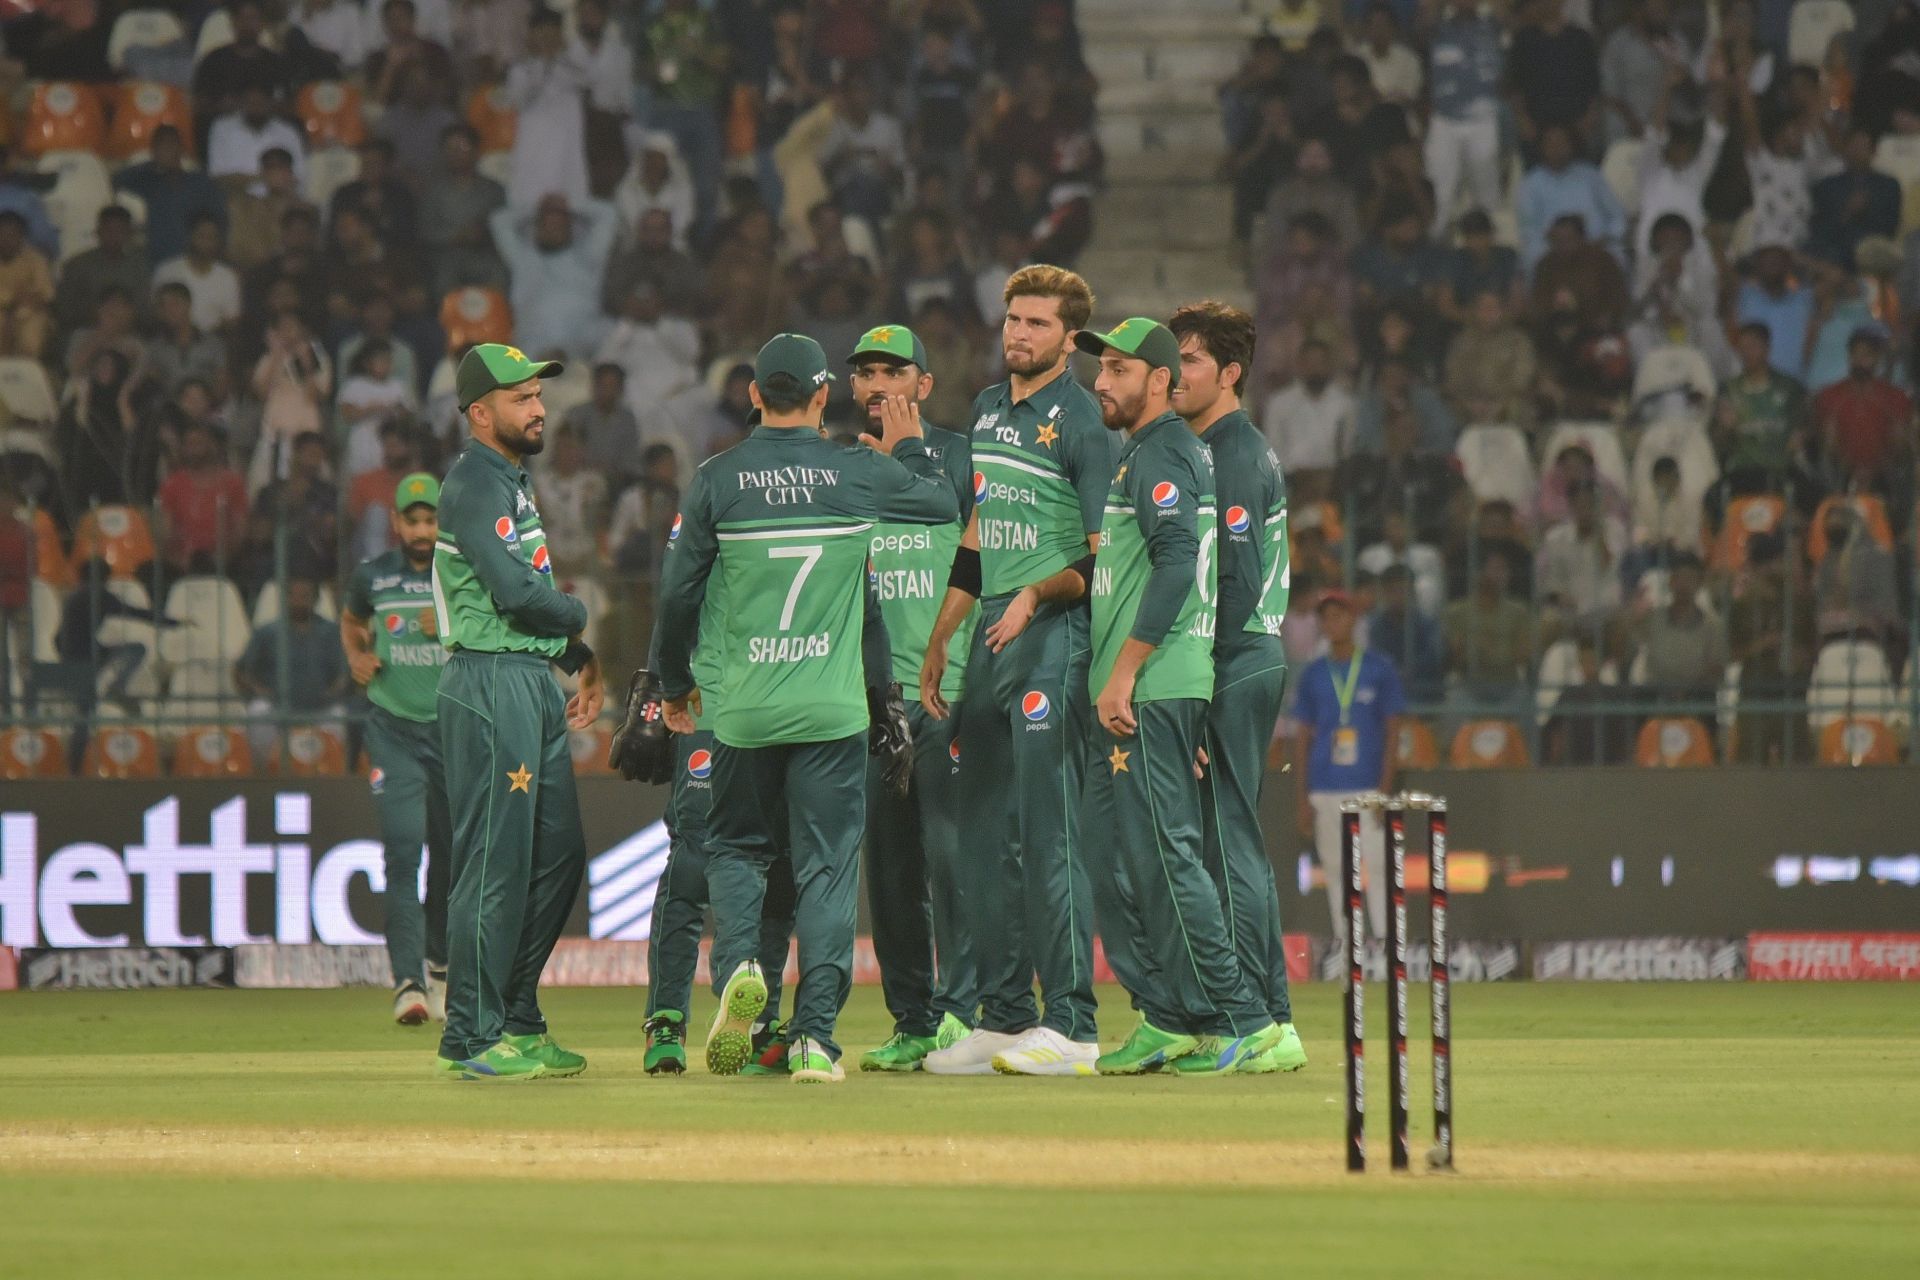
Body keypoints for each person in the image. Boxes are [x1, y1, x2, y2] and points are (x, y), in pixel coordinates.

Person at [653, 333, 958, 1084]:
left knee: (735, 850)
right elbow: (940, 502)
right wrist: (912, 444)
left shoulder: (717, 480)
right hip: (830, 710)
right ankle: (816, 1038)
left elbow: (678, 596)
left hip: (747, 710)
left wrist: (669, 685)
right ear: (824, 397)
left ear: (754, 395)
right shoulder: (854, 470)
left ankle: (738, 975)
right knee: (826, 870)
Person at [917, 266, 1108, 1078]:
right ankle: (1003, 1017)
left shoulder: (1085, 422)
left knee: (1047, 836)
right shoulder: (990, 411)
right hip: (991, 647)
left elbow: (1101, 561)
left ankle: (1073, 1024)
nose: (1018, 333)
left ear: (1070, 339)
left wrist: (1032, 593)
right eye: (1013, 318)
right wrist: (940, 637)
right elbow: (975, 534)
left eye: (1036, 323)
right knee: (985, 839)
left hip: (1053, 644)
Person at [430, 343, 605, 1080]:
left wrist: (571, 659)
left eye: (538, 396)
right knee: (494, 860)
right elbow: (515, 594)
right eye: (522, 399)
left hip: (527, 677)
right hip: (489, 681)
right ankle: (471, 1034)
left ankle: (519, 1016)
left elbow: (523, 598)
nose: (539, 410)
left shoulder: (509, 480)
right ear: (480, 412)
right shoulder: (474, 482)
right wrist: (580, 619)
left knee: (558, 860)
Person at [1167, 301, 1306, 1073]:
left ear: (1229, 373)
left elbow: (1237, 572)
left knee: (1228, 840)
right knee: (1228, 840)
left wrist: (1197, 684)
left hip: (1233, 658)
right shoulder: (1221, 448)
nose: (1174, 373)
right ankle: (1260, 1017)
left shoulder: (1233, 453)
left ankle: (1266, 1024)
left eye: (1188, 360)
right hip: (1243, 656)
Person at [845, 325, 979, 1072]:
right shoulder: (839, 467)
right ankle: (914, 1018)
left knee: (955, 861)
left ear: (923, 386)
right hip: (872, 702)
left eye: (892, 371)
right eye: (864, 373)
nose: (875, 385)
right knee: (891, 874)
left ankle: (965, 1011)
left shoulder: (960, 458)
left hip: (951, 692)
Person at [342, 474, 453, 1026]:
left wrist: (452, 624)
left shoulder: (460, 575)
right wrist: (356, 658)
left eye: (431, 520)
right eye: (413, 521)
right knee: (404, 853)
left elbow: (494, 630)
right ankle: (408, 981)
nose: (422, 530)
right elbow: (351, 621)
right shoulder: (374, 576)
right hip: (393, 730)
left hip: (452, 732)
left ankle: (438, 965)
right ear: (396, 522)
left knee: (450, 858)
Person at [1291, 588, 1404, 946]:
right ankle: (1347, 945)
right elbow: (1303, 738)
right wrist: (1302, 798)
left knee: (1379, 868)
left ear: (1354, 619)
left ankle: (1387, 945)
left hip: (1368, 787)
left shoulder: (1379, 668)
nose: (1332, 622)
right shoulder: (1313, 674)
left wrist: (1385, 789)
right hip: (1324, 787)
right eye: (1325, 617)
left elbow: (1392, 733)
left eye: (1339, 615)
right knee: (1337, 872)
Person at [235, 575, 349, 763]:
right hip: (275, 707)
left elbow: (344, 673)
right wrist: (260, 692)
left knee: (339, 715)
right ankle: (265, 772)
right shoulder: (267, 632)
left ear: (315, 599)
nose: (298, 601)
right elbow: (241, 671)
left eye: (304, 596)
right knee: (257, 712)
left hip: (321, 708)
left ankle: (331, 772)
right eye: (292, 596)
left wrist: (331, 693)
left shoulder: (331, 632)